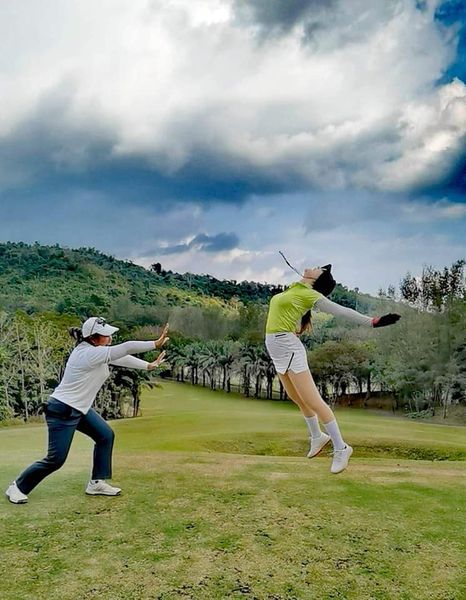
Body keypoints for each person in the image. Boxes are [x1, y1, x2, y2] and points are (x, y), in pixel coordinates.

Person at [5, 317, 169, 504]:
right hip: (62, 409)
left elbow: (121, 357)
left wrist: (148, 366)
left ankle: (96, 482)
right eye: (105, 335)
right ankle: (17, 487)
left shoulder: (95, 350)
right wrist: (155, 344)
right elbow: (127, 347)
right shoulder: (87, 354)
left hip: (80, 409)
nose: (109, 337)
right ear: (93, 338)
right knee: (55, 459)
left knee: (105, 435)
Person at [265, 264, 400, 474]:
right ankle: (317, 437)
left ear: (317, 280)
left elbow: (341, 311)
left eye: (319, 268)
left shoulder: (310, 294)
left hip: (288, 348)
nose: (315, 266)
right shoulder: (294, 289)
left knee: (314, 401)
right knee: (297, 398)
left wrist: (373, 322)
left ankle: (341, 447)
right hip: (278, 350)